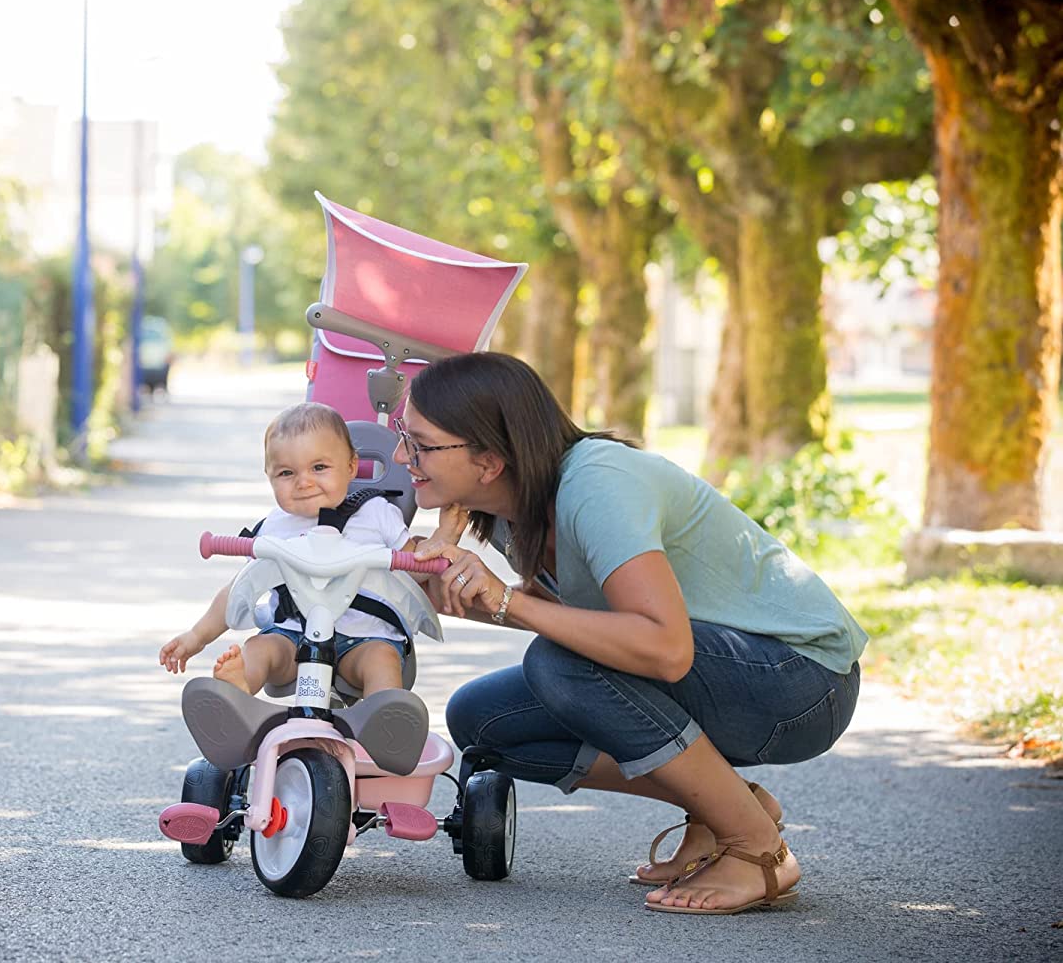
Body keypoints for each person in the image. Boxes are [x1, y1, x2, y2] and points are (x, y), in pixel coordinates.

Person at [403, 352, 865, 916]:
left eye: (422, 444)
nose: (406, 457)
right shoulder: (507, 509)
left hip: (800, 680)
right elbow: (576, 614)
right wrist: (455, 593)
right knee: (483, 721)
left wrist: (509, 600)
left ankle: (758, 852)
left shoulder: (598, 483)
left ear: (490, 458)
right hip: (725, 674)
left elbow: (665, 652)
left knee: (559, 665)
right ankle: (728, 811)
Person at [160, 402, 463, 697]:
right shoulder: (274, 527)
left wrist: (445, 535)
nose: (304, 482)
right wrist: (196, 636)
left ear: (351, 467)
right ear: (269, 477)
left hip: (366, 636)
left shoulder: (376, 513)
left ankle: (383, 719)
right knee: (259, 649)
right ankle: (237, 693)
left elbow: (414, 570)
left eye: (319, 467)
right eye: (286, 474)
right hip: (293, 637)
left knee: (381, 661)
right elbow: (240, 588)